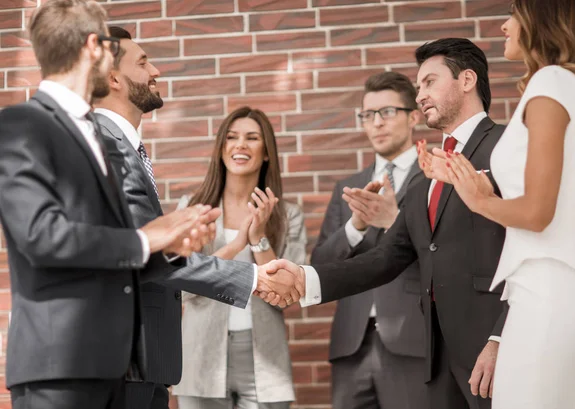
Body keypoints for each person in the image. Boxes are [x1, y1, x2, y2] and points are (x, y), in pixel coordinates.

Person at [261, 38, 509, 409]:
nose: (420, 93)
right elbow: (388, 257)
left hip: (494, 355)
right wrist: (303, 278)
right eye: (419, 84)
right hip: (438, 360)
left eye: (429, 82)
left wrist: (500, 338)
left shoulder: (506, 145)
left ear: (467, 80)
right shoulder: (429, 175)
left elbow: (531, 245)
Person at [0, 1, 221, 408]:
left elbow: (112, 252)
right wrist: (145, 239)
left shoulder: (93, 135)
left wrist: (171, 248)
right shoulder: (18, 126)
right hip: (59, 369)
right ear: (94, 48)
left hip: (114, 367)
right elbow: (41, 237)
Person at [93, 27, 294, 409]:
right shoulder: (108, 146)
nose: (157, 71)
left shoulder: (127, 147)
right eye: (143, 61)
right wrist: (251, 274)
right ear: (114, 78)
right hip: (127, 356)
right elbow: (148, 253)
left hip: (150, 359)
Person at [430, 1, 575, 408]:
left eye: (513, 13)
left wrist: (477, 198)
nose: (504, 25)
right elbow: (556, 191)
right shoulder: (572, 85)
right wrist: (463, 178)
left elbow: (537, 214)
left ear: (540, 17)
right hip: (557, 288)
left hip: (549, 293)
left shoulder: (552, 83)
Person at [172, 106, 306, 409]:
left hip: (263, 359)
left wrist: (258, 238)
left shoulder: (288, 216)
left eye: (252, 138)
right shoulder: (192, 209)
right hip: (201, 355)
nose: (240, 145)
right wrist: (236, 244)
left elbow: (288, 294)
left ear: (267, 151)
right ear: (221, 148)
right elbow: (180, 288)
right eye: (231, 137)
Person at [311, 71, 427, 409]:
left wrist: (395, 221)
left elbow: (446, 257)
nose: (376, 123)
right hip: (351, 345)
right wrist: (355, 227)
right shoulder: (347, 187)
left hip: (413, 341)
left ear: (414, 117)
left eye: (387, 112)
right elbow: (321, 266)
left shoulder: (434, 178)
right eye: (368, 115)